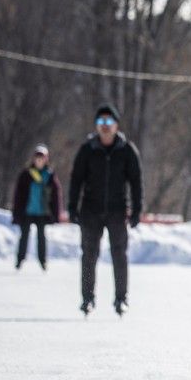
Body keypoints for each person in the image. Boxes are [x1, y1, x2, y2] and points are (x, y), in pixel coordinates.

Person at [68, 104, 143, 316]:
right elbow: (76, 180)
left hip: (117, 211)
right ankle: (87, 298)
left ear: (116, 125)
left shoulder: (127, 150)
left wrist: (137, 210)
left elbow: (136, 182)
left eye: (109, 122)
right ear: (96, 126)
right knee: (89, 255)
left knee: (119, 255)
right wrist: (72, 207)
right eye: (101, 122)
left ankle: (121, 299)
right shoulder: (87, 150)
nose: (105, 126)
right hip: (90, 211)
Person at [11, 144, 63, 270]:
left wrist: (56, 214)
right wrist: (16, 212)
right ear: (34, 159)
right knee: (24, 236)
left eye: (42, 158)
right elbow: (18, 195)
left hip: (42, 212)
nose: (39, 160)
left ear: (46, 159)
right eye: (37, 157)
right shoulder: (26, 174)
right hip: (27, 211)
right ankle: (20, 259)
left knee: (41, 237)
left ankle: (43, 261)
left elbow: (56, 196)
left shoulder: (49, 175)